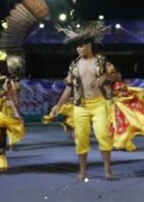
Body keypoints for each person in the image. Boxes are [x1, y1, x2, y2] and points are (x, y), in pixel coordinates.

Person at [48, 23, 121, 181]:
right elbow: (68, 88)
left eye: (80, 46)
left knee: (103, 136)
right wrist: (58, 106)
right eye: (76, 48)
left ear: (88, 45)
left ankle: (108, 171)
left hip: (100, 104)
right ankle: (82, 172)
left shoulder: (101, 61)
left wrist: (105, 77)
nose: (78, 49)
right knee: (80, 138)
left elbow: (117, 76)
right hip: (81, 106)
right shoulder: (74, 65)